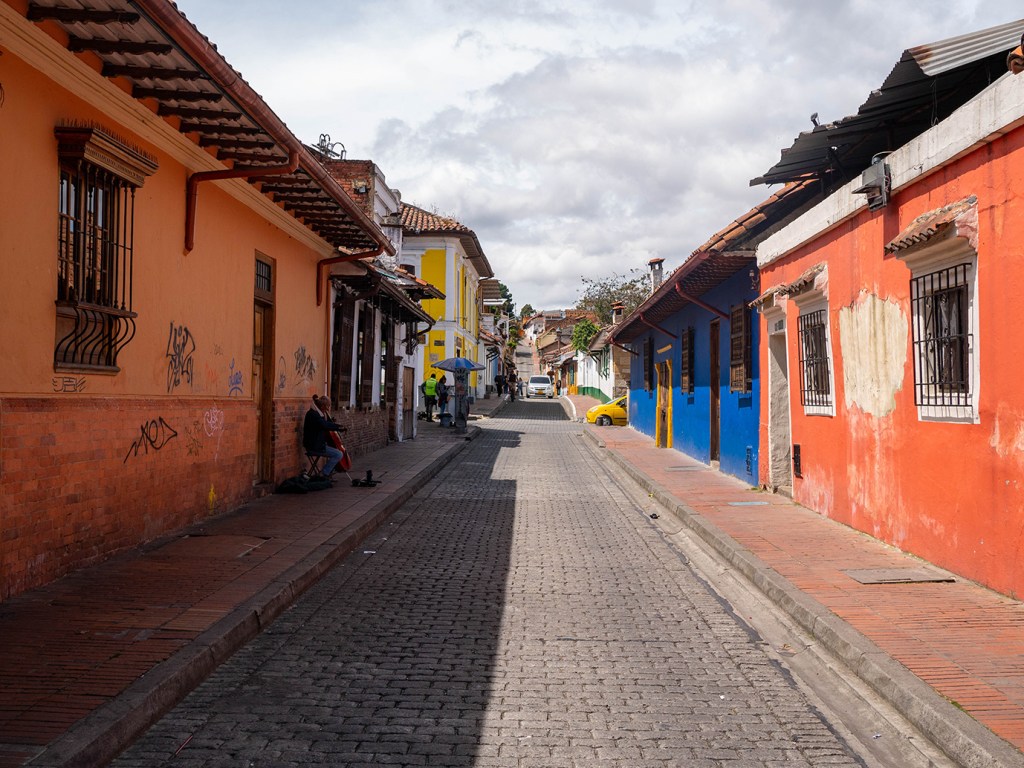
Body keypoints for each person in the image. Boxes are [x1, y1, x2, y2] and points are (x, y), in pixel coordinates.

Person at [303, 395, 345, 479]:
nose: (327, 410)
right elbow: (324, 424)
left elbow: (325, 423)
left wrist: (333, 423)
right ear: (322, 406)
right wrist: (338, 427)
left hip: (318, 444)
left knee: (337, 453)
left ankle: (326, 473)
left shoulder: (318, 414)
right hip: (314, 446)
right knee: (338, 454)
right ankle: (324, 473)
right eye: (327, 407)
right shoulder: (313, 415)